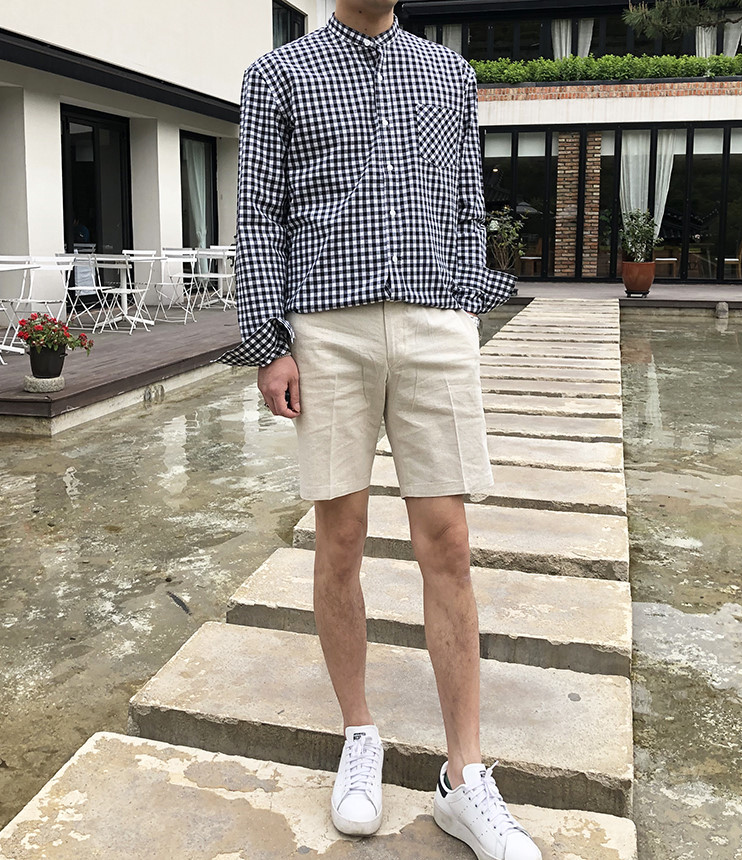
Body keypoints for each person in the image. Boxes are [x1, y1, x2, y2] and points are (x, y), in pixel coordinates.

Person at [222, 3, 539, 858]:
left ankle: (464, 777)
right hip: (327, 328)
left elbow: (468, 202)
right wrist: (270, 345)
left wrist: (464, 300)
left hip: (435, 320)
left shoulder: (449, 73)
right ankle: (359, 734)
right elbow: (259, 215)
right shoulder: (277, 74)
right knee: (341, 537)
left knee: (449, 541)